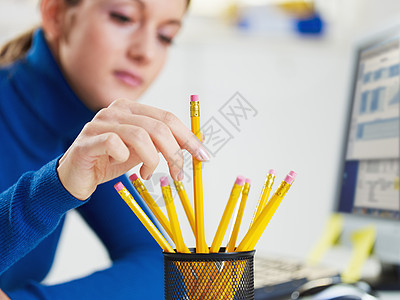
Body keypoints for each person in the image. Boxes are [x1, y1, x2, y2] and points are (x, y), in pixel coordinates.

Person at [0, 0, 210, 298]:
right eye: (122, 17)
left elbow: (166, 268)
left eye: (165, 36)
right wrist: (53, 187)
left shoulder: (91, 132)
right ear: (55, 14)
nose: (145, 53)